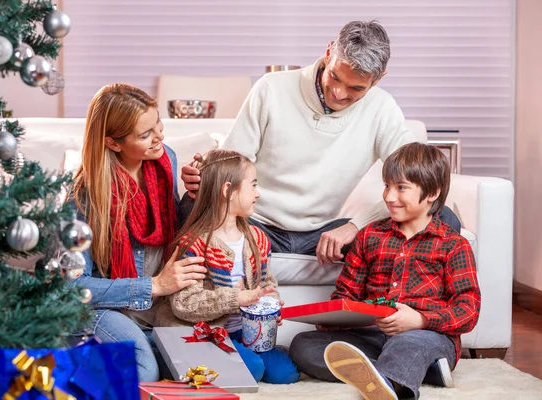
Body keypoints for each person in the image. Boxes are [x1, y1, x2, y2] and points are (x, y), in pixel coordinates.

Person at [180, 20, 461, 265]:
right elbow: (234, 160)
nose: (339, 93)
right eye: (335, 77)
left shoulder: (382, 108)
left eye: (356, 88)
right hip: (254, 223)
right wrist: (207, 174)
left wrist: (354, 226)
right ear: (328, 52)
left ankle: (411, 318)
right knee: (190, 203)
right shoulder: (271, 88)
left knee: (441, 218)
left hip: (324, 233)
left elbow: (417, 184)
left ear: (378, 80)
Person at [288, 142, 481, 399]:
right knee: (303, 345)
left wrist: (420, 320)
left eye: (401, 188)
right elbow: (346, 294)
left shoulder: (453, 245)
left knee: (408, 344)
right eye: (387, 186)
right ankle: (420, 371)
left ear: (432, 192)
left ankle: (392, 385)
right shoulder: (370, 236)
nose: (389, 197)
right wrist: (333, 318)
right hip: (371, 335)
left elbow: (467, 310)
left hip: (424, 335)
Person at [69, 83, 207, 382]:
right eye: (145, 135)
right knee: (144, 372)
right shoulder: (82, 197)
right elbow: (71, 287)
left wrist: (194, 196)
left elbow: (167, 228)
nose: (159, 138)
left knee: (197, 369)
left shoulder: (163, 159)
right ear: (113, 143)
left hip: (154, 307)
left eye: (158, 125)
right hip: (104, 308)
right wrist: (154, 285)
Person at [158, 149, 300, 384]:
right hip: (207, 332)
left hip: (245, 331)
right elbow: (185, 304)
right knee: (252, 370)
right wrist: (237, 298)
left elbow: (267, 283)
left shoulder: (257, 238)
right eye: (253, 185)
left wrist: (270, 304)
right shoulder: (193, 244)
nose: (258, 193)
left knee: (286, 374)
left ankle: (239, 354)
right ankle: (191, 358)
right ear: (228, 190)